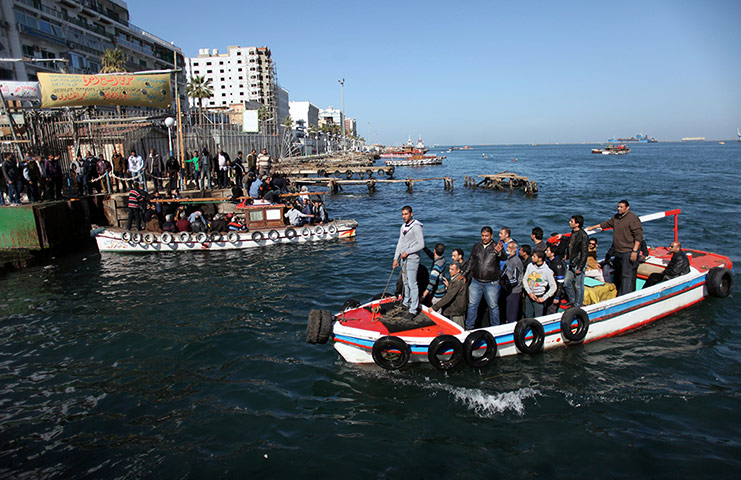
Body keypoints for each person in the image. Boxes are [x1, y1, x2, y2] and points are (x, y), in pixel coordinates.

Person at [587, 200, 643, 295]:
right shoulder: (617, 217)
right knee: (619, 273)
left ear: (627, 208)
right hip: (618, 251)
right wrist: (592, 227)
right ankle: (618, 292)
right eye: (618, 207)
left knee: (626, 275)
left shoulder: (633, 219)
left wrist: (634, 251)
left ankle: (625, 296)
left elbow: (638, 236)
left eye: (621, 207)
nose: (619, 209)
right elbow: (607, 224)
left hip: (628, 251)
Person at [466, 226, 506, 329]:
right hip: (476, 281)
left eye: (486, 236)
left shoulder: (496, 246)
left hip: (491, 282)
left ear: (491, 236)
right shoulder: (476, 246)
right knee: (472, 305)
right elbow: (471, 261)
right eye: (483, 236)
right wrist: (464, 274)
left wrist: (498, 252)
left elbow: (504, 257)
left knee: (493, 306)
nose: (484, 238)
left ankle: (495, 328)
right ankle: (469, 327)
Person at [392, 205, 425, 319]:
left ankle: (413, 309)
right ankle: (406, 302)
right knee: (405, 282)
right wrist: (395, 258)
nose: (404, 216)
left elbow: (421, 244)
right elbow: (400, 243)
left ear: (411, 214)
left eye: (406, 214)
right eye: (402, 214)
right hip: (403, 259)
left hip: (412, 259)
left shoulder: (416, 227)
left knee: (412, 283)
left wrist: (408, 251)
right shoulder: (403, 227)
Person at [564, 214, 589, 308]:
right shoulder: (573, 233)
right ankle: (572, 299)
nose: (570, 223)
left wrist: (580, 266)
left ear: (577, 224)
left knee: (579, 286)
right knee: (566, 282)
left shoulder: (583, 236)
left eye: (572, 221)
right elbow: (570, 245)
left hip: (578, 263)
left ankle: (578, 304)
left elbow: (584, 252)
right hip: (571, 261)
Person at [433, 261, 468, 327]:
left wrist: (434, 307)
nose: (449, 271)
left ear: (458, 270)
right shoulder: (455, 278)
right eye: (449, 269)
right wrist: (449, 287)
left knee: (459, 329)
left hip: (457, 311)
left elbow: (449, 297)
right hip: (455, 309)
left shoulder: (458, 281)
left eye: (452, 269)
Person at [523, 250, 557, 318]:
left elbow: (553, 286)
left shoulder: (547, 271)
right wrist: (529, 292)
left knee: (538, 317)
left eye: (534, 256)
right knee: (528, 315)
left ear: (540, 259)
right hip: (529, 295)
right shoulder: (530, 266)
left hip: (539, 297)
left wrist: (544, 298)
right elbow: (525, 279)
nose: (532, 257)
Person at [501, 241, 524, 323]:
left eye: (510, 248)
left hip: (514, 291)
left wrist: (506, 282)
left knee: (512, 315)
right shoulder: (508, 259)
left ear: (515, 249)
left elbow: (516, 279)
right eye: (507, 247)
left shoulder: (516, 261)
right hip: (508, 290)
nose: (507, 249)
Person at [544, 244, 567, 314]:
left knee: (551, 310)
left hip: (555, 291)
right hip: (549, 289)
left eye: (547, 251)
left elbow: (560, 282)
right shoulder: (549, 262)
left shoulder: (557, 264)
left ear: (552, 254)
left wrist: (557, 296)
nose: (545, 252)